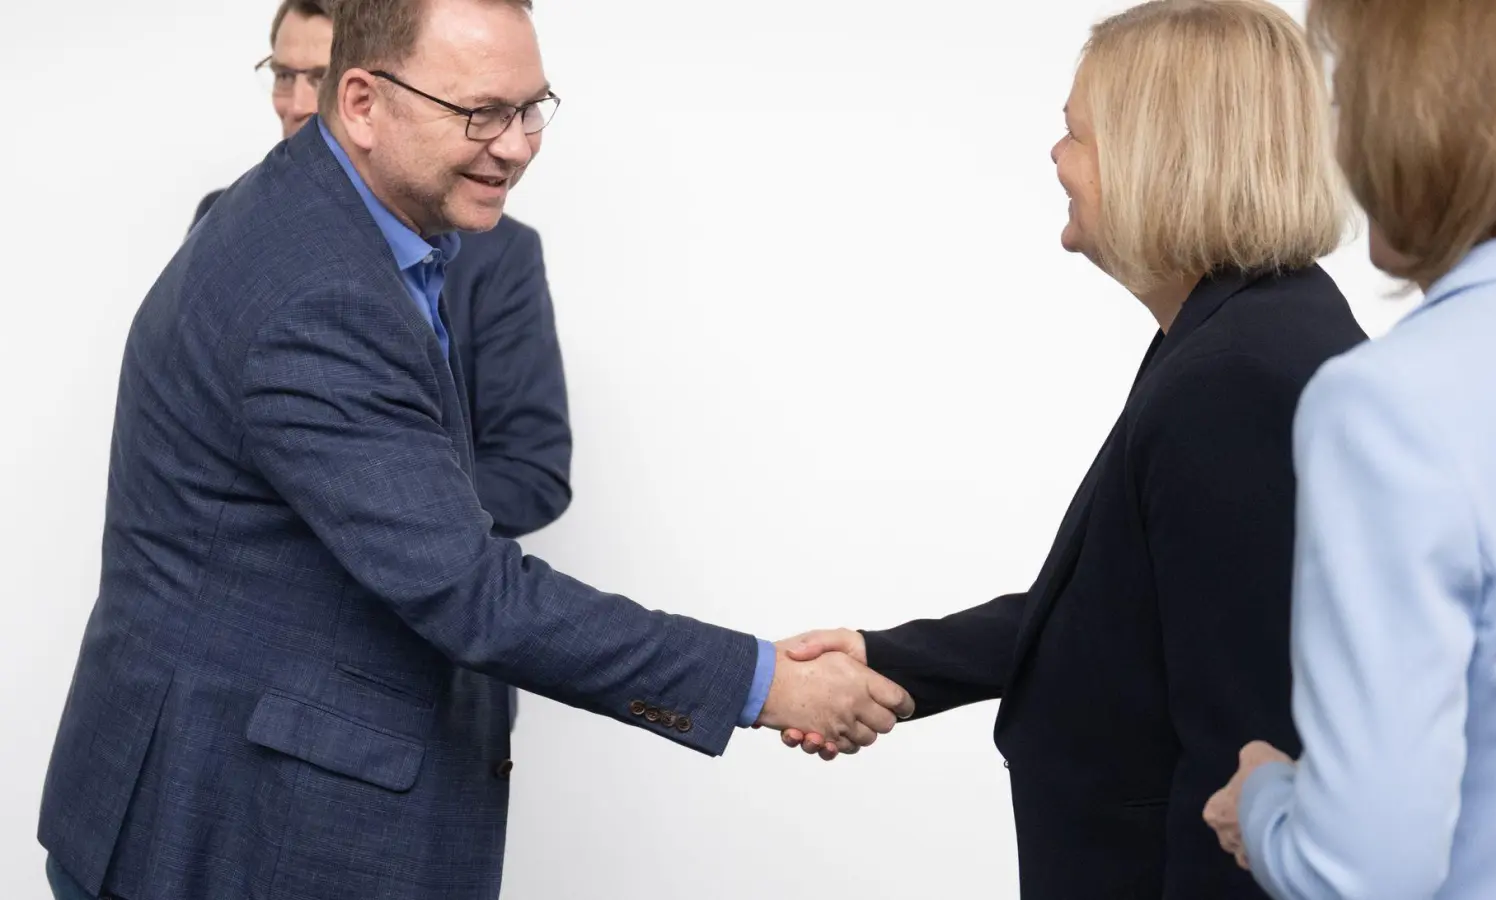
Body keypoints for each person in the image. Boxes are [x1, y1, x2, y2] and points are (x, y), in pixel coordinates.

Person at [36, 2, 913, 898]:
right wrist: (764, 683)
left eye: (532, 108)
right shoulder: (317, 295)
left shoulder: (346, 220)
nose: (519, 143)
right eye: (480, 113)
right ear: (366, 103)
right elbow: (473, 596)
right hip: (223, 827)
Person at [778, 2, 1364, 897]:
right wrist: (885, 655)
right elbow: (1122, 606)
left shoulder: (1237, 375)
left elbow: (1247, 749)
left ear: (1163, 153)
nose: (1056, 158)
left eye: (1076, 134)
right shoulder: (1236, 332)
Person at [1202, 1, 1496, 897]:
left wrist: (1263, 799)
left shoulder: (1392, 406)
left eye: (1347, 103)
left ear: (1410, 123)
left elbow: (1360, 874)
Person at [194, 0, 572, 539]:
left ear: (362, 100)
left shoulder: (495, 251)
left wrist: (398, 500)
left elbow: (533, 472)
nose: (302, 104)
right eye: (284, 75)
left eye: (321, 77)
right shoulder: (232, 228)